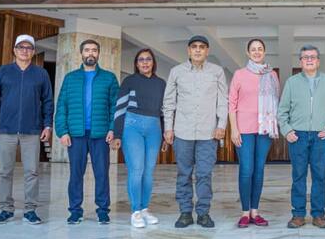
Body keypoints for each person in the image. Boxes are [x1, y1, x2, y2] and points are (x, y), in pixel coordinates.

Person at [0, 34, 53, 225]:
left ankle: (30, 210)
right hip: (6, 129)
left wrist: (47, 125)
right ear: (14, 50)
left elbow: (48, 101)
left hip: (32, 130)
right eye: (21, 47)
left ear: (33, 52)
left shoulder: (41, 74)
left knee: (32, 171)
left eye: (29, 48)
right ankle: (6, 209)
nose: (25, 51)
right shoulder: (4, 71)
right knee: (5, 171)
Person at [163, 35, 228, 228]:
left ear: (207, 51)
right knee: (183, 174)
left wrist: (221, 125)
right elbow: (169, 102)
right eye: (194, 47)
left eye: (202, 47)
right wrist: (168, 128)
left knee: (204, 174)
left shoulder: (217, 72)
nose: (198, 50)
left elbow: (223, 101)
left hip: (208, 133)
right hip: (182, 132)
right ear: (188, 50)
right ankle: (185, 213)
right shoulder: (176, 72)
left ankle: (203, 213)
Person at [278, 44, 325, 229]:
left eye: (312, 57)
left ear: (318, 61)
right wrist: (287, 130)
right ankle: (298, 215)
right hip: (297, 135)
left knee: (319, 176)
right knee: (298, 176)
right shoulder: (292, 82)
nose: (309, 60)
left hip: (321, 135)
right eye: (305, 57)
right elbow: (282, 110)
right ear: (300, 61)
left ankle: (318, 214)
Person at [55, 39, 119, 225]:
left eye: (94, 50)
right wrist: (62, 131)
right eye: (87, 50)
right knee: (76, 174)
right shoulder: (70, 78)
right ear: (81, 53)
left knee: (102, 174)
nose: (91, 53)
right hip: (76, 134)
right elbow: (62, 106)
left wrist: (112, 128)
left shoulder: (109, 78)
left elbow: (115, 107)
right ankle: (75, 211)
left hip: (100, 134)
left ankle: (103, 210)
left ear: (98, 54)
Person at [111, 48, 165, 228]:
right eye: (141, 60)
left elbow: (164, 111)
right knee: (137, 169)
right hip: (132, 126)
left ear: (153, 62)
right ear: (136, 63)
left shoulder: (161, 84)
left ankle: (144, 209)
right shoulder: (129, 81)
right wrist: (117, 134)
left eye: (148, 59)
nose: (145, 62)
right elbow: (120, 108)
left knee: (149, 171)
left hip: (154, 128)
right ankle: (135, 211)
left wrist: (165, 134)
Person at [228, 38, 280, 228]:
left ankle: (255, 212)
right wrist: (234, 129)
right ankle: (244, 212)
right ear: (248, 53)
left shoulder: (272, 75)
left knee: (259, 170)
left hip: (264, 129)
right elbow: (231, 104)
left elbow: (276, 100)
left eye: (260, 49)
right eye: (253, 49)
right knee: (246, 169)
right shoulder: (239, 74)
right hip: (244, 129)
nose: (257, 52)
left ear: (264, 52)